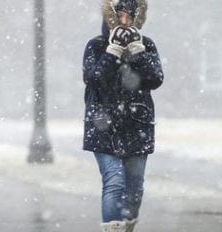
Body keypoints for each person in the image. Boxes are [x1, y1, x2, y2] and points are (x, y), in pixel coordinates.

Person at [82, 0, 163, 231]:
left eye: (130, 15)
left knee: (134, 187)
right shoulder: (95, 46)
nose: (124, 21)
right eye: (120, 15)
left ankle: (128, 225)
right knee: (114, 180)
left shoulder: (146, 44)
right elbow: (94, 79)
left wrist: (138, 52)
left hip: (138, 125)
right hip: (103, 125)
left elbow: (155, 78)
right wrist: (113, 50)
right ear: (112, 16)